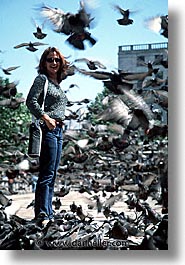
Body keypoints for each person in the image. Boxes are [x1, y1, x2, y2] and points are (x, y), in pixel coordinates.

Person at [26, 47, 69, 225]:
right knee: (46, 174)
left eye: (57, 60)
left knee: (52, 174)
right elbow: (30, 101)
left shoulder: (57, 83)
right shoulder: (42, 79)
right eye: (50, 59)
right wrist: (46, 117)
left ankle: (49, 212)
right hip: (48, 129)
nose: (54, 63)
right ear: (44, 63)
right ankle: (42, 213)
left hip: (58, 130)